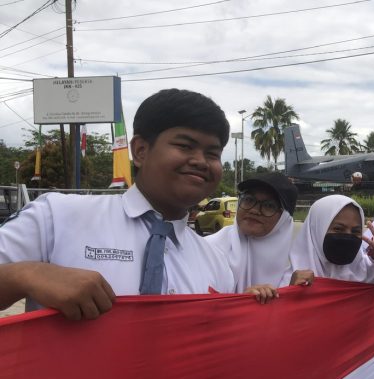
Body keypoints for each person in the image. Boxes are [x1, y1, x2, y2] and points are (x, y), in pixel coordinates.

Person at [0, 88, 237, 320]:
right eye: (185, 146)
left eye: (212, 153)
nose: (200, 161)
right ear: (141, 151)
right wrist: (26, 275)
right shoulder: (56, 217)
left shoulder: (216, 264)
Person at [206, 173, 309, 304]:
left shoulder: (298, 262)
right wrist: (242, 302)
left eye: (269, 206)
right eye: (249, 199)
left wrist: (294, 290)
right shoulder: (210, 250)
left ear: (284, 218)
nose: (254, 210)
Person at [288, 195, 374, 288]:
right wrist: (291, 290)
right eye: (338, 229)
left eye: (355, 231)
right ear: (317, 230)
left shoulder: (363, 271)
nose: (348, 236)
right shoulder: (293, 277)